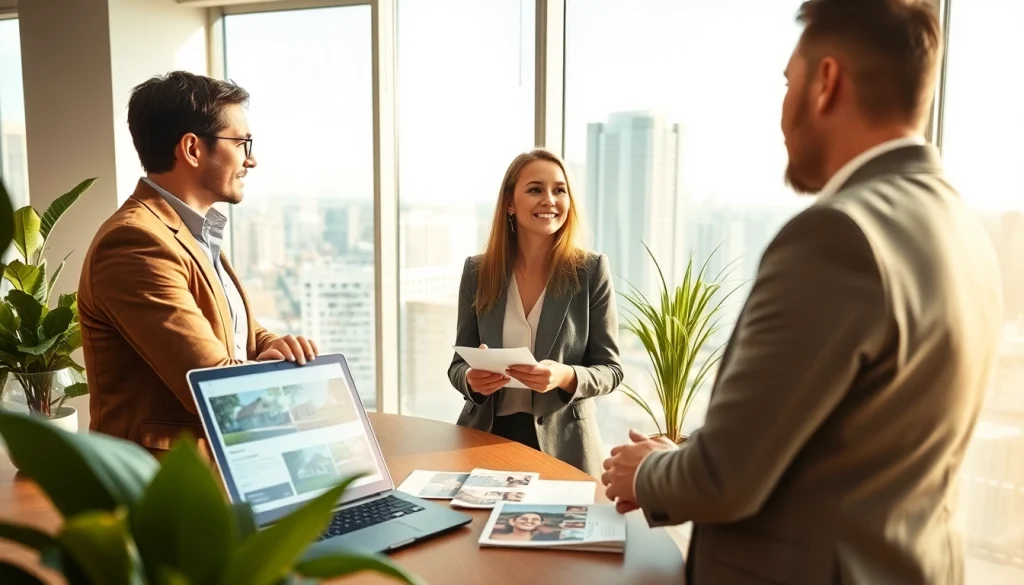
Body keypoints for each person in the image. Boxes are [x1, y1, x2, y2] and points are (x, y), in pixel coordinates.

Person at [601, 1, 1002, 584]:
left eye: (788, 82)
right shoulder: (963, 230)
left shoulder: (837, 235)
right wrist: (682, 453)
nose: (782, 114)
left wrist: (646, 471)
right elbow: (844, 447)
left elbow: (724, 479)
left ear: (826, 82)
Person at [78, 71, 318, 456]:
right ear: (192, 149)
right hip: (158, 479)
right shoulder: (135, 243)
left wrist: (277, 346)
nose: (251, 159)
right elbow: (210, 384)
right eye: (241, 143)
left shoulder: (193, 232)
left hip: (215, 469)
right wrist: (301, 389)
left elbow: (236, 332)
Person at [448, 148, 623, 478]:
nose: (549, 200)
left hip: (565, 445)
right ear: (509, 204)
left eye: (559, 190)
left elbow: (611, 370)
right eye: (535, 189)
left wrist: (565, 377)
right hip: (487, 437)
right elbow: (458, 366)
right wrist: (471, 379)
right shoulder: (477, 272)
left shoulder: (591, 271)